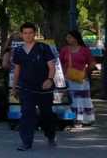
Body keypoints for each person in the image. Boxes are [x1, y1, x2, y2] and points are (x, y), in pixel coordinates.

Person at [12, 22, 57, 151]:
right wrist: (14, 87)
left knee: (46, 114)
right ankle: (26, 142)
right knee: (26, 114)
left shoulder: (43, 48)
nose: (27, 35)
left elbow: (51, 66)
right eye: (25, 33)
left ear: (35, 34)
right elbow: (17, 70)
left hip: (44, 88)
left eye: (30, 33)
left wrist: (49, 79)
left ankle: (50, 135)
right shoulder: (19, 50)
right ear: (21, 34)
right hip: (26, 88)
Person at [60, 30, 95, 126]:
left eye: (69, 37)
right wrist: (62, 75)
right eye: (67, 37)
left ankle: (84, 119)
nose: (67, 39)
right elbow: (60, 63)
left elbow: (92, 63)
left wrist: (86, 72)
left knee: (82, 99)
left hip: (82, 80)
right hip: (68, 79)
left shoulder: (84, 50)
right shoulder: (64, 50)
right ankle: (72, 119)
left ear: (76, 38)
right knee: (71, 99)